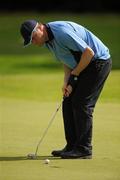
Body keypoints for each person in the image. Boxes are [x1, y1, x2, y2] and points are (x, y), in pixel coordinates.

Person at [20, 20, 112, 159]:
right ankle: (72, 146)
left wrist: (74, 76)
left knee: (82, 103)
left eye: (33, 37)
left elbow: (88, 53)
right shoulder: (48, 41)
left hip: (98, 62)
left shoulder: (61, 33)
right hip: (84, 65)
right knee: (68, 101)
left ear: (40, 28)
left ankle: (84, 149)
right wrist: (66, 82)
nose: (33, 42)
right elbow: (67, 59)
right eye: (30, 41)